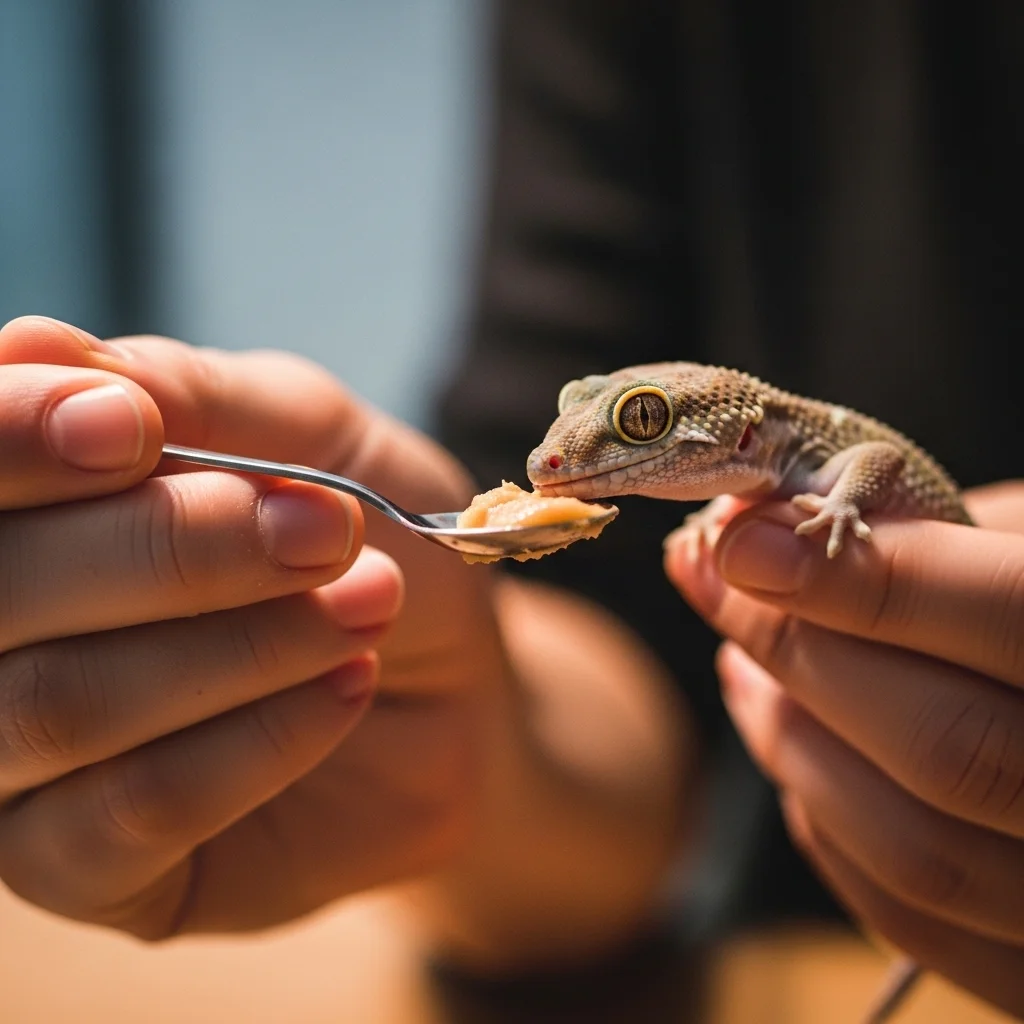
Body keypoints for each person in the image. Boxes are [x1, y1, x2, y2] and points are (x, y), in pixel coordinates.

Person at [0, 1, 1021, 1020]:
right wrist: (459, 738)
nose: (562, 457)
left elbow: (878, 460)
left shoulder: (811, 458)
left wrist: (841, 515)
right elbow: (613, 645)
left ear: (741, 433)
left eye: (640, 420)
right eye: (600, 413)